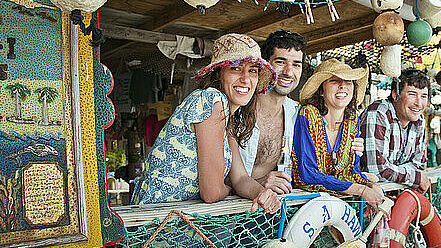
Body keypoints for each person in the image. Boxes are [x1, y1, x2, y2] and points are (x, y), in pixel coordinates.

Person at [131, 33, 281, 214]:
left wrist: (263, 193)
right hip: (157, 221)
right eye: (235, 68)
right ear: (218, 74)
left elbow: (240, 178)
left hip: (175, 219)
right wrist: (229, 189)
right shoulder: (211, 100)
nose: (245, 78)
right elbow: (212, 193)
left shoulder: (227, 118)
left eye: (253, 70)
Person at [239, 31, 364, 195]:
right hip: (225, 209)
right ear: (265, 64)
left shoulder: (296, 112)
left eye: (296, 64)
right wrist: (257, 184)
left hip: (274, 208)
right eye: (280, 62)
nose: (288, 72)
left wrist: (350, 146)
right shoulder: (238, 110)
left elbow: (320, 150)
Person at [292, 58, 384, 206]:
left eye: (348, 82)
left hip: (339, 205)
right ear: (321, 90)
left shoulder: (352, 120)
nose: (342, 86)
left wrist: (370, 186)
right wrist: (361, 190)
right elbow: (307, 175)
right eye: (334, 81)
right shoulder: (308, 115)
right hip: (302, 206)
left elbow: (352, 172)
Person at [360, 69, 431, 193]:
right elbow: (377, 172)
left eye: (423, 96)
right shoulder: (378, 113)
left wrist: (393, 171)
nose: (418, 103)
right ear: (395, 94)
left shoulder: (418, 119)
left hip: (394, 194)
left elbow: (419, 164)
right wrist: (415, 177)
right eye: (412, 94)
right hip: (364, 199)